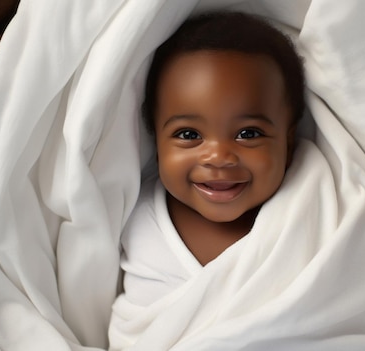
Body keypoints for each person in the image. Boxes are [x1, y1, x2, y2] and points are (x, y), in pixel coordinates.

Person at [115, 11, 305, 307]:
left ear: (288, 142)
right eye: (189, 135)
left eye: (249, 133)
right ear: (156, 138)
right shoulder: (134, 219)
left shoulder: (315, 206)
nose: (218, 157)